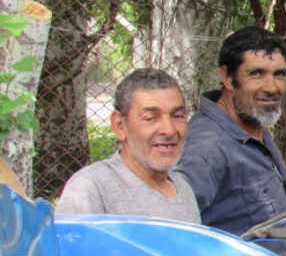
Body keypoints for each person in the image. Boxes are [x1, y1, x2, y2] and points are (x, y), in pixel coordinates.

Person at [174, 26, 286, 256]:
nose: (271, 87)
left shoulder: (251, 124)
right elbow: (175, 234)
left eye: (279, 74)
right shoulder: (208, 148)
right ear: (227, 78)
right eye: (257, 74)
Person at [56, 68, 200, 222]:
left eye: (177, 116)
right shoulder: (91, 188)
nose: (169, 130)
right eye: (150, 118)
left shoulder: (183, 188)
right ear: (119, 125)